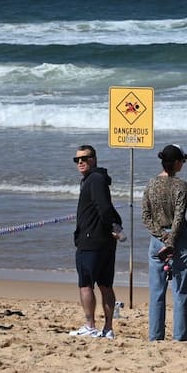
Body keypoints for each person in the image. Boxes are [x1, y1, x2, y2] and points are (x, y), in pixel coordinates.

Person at [141, 144, 187, 341]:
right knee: (180, 291)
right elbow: (179, 217)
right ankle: (179, 338)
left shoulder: (151, 184)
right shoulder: (181, 185)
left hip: (157, 238)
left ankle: (155, 336)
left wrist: (161, 236)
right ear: (177, 162)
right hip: (177, 238)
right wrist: (170, 240)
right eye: (182, 161)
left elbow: (145, 217)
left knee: (156, 291)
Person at [70, 144, 122, 338]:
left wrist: (114, 226)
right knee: (105, 285)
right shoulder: (95, 179)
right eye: (77, 160)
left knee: (87, 284)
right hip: (102, 240)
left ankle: (92, 325)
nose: (81, 162)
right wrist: (116, 224)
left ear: (94, 159)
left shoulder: (95, 179)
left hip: (93, 240)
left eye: (85, 158)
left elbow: (105, 207)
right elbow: (107, 208)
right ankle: (107, 329)